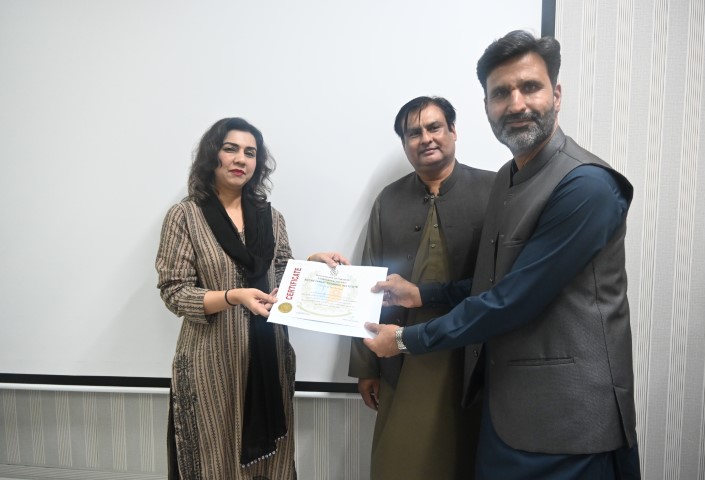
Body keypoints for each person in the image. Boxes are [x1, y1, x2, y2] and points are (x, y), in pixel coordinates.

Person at [363, 31, 641, 479]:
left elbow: (512, 300)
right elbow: (489, 284)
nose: (516, 104)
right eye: (500, 93)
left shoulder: (585, 186)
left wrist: (403, 340)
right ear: (487, 106)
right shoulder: (508, 180)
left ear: (556, 94)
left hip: (567, 423)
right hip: (504, 408)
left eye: (530, 87)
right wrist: (421, 294)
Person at [156, 117, 347, 480]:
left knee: (271, 463)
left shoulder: (270, 218)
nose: (240, 159)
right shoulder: (186, 216)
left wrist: (312, 264)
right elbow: (175, 292)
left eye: (250, 152)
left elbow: (281, 272)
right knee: (216, 458)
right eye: (230, 149)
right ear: (212, 155)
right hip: (212, 362)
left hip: (268, 356)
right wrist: (233, 296)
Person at [348, 96, 495, 479]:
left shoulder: (494, 189)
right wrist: (365, 367)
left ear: (453, 131)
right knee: (400, 461)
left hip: (470, 356)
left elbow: (500, 283)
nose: (425, 138)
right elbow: (368, 283)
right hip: (399, 354)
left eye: (434, 127)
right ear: (404, 143)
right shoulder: (389, 199)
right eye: (414, 133)